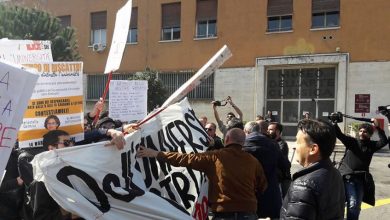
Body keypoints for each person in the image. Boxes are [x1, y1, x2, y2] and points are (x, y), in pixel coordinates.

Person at [137, 128, 267, 220]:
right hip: (249, 212)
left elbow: (185, 159)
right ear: (243, 142)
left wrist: (155, 153)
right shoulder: (253, 161)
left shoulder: (215, 157)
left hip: (223, 213)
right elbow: (263, 186)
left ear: (226, 139)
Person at [280, 119, 345, 219]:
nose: (295, 147)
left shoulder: (303, 186)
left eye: (297, 142)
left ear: (313, 149)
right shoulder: (334, 173)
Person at [334, 119, 388, 220]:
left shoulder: (372, 146)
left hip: (361, 179)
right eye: (361, 131)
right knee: (353, 203)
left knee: (357, 205)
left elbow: (384, 141)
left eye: (365, 132)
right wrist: (334, 122)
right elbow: (339, 134)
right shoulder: (352, 142)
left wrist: (378, 127)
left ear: (370, 134)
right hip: (348, 177)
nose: (362, 133)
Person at [243, 121, 290, 219]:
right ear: (260, 130)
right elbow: (285, 165)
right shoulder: (273, 144)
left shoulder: (241, 145)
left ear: (246, 131)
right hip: (270, 192)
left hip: (247, 193)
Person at [267, 122, 291, 198]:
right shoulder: (269, 142)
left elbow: (277, 159)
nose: (268, 131)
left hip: (282, 179)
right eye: (268, 129)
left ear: (277, 131)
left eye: (271, 129)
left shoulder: (282, 144)